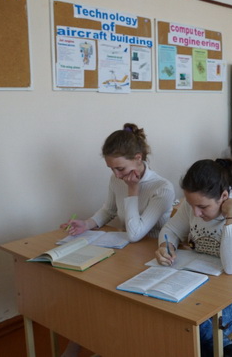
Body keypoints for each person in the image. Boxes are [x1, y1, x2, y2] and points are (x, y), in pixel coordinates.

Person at [59, 123, 175, 357]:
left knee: (116, 302)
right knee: (89, 291)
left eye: (120, 168)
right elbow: (109, 210)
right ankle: (84, 344)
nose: (116, 175)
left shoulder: (162, 188)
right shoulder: (117, 180)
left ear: (138, 158)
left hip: (153, 257)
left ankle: (116, 347)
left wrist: (133, 191)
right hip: (125, 252)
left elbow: (135, 233)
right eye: (111, 169)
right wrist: (87, 224)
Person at [155, 159, 232, 357]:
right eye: (192, 205)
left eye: (203, 207)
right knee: (172, 318)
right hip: (206, 281)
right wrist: (166, 245)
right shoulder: (193, 206)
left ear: (224, 196)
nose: (196, 213)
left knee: (197, 328)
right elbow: (170, 229)